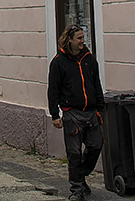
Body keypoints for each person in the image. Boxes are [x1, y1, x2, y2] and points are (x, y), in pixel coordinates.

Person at [48, 23, 105, 201]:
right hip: (71, 113)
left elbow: (97, 85)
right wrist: (55, 115)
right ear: (69, 40)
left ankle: (80, 175)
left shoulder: (89, 59)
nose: (83, 41)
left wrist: (100, 109)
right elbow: (53, 90)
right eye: (79, 38)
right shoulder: (59, 62)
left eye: (83, 37)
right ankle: (77, 190)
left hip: (91, 112)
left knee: (96, 146)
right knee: (74, 153)